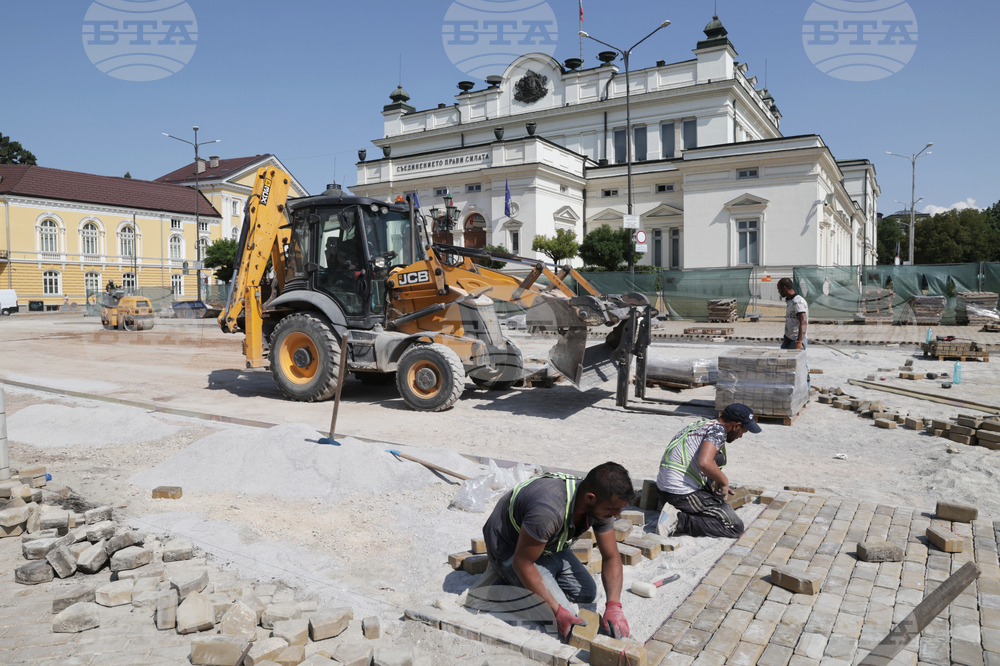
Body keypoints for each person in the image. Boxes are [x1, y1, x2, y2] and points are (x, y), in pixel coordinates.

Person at [481, 462, 634, 643]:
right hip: (510, 549)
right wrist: (558, 611)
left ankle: (534, 578)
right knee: (564, 618)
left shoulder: (601, 504)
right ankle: (503, 582)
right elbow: (522, 563)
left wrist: (614, 605)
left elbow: (611, 557)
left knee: (588, 593)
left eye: (619, 509)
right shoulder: (548, 511)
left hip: (544, 545)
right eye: (612, 509)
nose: (616, 515)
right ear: (590, 498)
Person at [656, 404, 761, 539]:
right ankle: (678, 520)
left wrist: (714, 481)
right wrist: (723, 482)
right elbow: (704, 463)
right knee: (734, 527)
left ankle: (677, 507)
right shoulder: (718, 430)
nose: (740, 436)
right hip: (679, 494)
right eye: (743, 431)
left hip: (664, 490)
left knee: (718, 458)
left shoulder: (704, 424)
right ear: (736, 426)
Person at [777, 277, 808, 351]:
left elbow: (803, 321)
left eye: (779, 289)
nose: (779, 291)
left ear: (784, 288)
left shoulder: (797, 302)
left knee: (798, 362)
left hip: (796, 340)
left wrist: (799, 341)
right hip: (788, 339)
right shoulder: (790, 301)